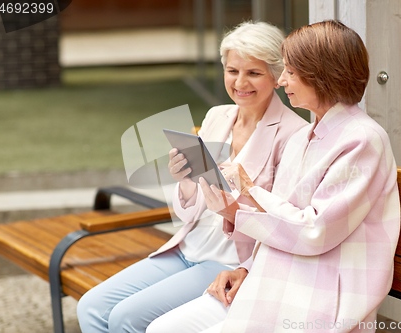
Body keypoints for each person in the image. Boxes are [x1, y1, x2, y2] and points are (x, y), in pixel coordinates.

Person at [146, 20, 401, 333]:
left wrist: (243, 200)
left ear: (323, 76)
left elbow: (314, 230)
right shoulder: (304, 138)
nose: (281, 80)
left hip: (319, 294)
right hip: (275, 276)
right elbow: (283, 220)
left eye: (291, 72)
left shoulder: (362, 140)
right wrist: (246, 268)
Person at [76, 22, 307, 333]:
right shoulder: (217, 116)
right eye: (232, 70)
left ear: (277, 76)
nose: (240, 82)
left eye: (254, 73)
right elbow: (188, 211)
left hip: (227, 261)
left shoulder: (294, 135)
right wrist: (184, 182)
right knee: (90, 306)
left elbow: (283, 220)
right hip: (186, 247)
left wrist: (238, 199)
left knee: (125, 318)